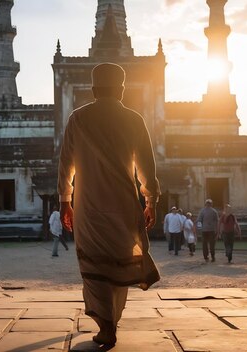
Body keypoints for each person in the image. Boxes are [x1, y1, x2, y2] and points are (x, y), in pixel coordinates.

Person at [58, 62, 161, 346]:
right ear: (122, 89)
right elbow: (146, 167)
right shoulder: (134, 119)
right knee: (119, 261)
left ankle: (105, 323)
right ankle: (112, 320)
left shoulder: (79, 118)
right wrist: (150, 199)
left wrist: (65, 201)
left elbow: (66, 163)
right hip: (124, 203)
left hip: (89, 204)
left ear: (93, 89)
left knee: (93, 264)